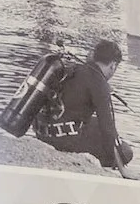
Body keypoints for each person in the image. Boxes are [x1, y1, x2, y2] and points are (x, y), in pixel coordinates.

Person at [45, 40, 133, 173]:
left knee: (95, 122)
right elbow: (107, 128)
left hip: (44, 133)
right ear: (113, 65)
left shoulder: (74, 68)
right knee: (126, 152)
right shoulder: (100, 83)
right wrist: (123, 170)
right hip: (63, 141)